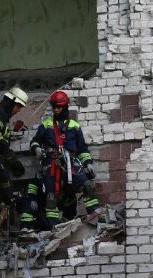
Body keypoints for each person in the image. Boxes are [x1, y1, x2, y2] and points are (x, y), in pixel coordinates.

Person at [24, 90, 101, 227]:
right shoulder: (46, 125)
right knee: (51, 196)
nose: (56, 109)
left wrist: (88, 163)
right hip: (51, 163)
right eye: (54, 106)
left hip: (70, 162)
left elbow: (82, 148)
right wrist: (36, 149)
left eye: (59, 106)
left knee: (88, 186)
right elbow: (35, 141)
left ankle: (95, 214)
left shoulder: (74, 126)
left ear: (65, 107)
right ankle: (53, 226)